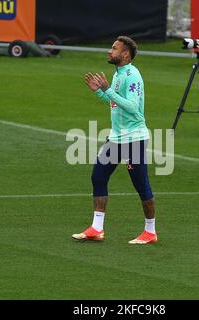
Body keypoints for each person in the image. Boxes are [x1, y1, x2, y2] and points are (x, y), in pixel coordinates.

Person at [72, 36, 157, 245]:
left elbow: (132, 107)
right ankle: (97, 228)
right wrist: (101, 92)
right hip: (117, 139)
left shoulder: (132, 75)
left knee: (141, 184)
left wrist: (107, 90)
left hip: (134, 139)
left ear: (125, 54)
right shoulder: (118, 73)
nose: (110, 51)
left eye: (114, 48)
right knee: (98, 176)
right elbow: (115, 103)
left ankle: (150, 231)